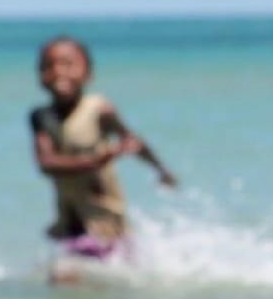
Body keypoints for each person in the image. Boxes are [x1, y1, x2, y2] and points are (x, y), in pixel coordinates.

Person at [30, 35, 177, 265]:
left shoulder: (98, 109)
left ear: (89, 74)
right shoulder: (41, 118)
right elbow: (47, 163)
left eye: (68, 65)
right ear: (40, 75)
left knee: (79, 280)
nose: (59, 72)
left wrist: (161, 170)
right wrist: (99, 159)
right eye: (49, 66)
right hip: (70, 223)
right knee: (66, 284)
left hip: (105, 222)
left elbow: (132, 141)